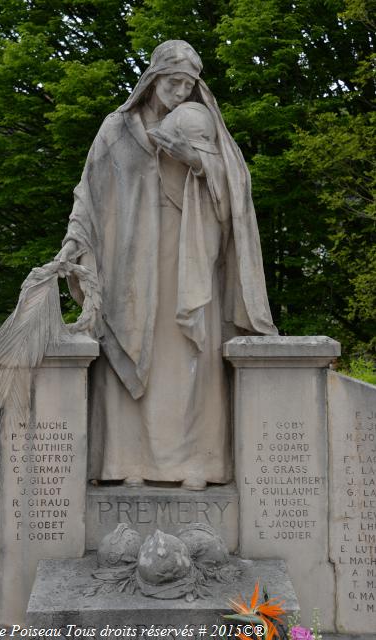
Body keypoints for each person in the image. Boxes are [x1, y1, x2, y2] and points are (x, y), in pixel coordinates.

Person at [56, 40, 277, 490]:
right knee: (132, 347)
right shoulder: (116, 129)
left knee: (188, 353)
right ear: (152, 79)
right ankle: (125, 461)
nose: (179, 92)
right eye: (172, 82)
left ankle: (198, 462)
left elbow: (234, 190)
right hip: (128, 261)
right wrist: (75, 241)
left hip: (187, 255)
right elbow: (88, 193)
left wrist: (193, 158)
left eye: (187, 85)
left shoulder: (200, 126)